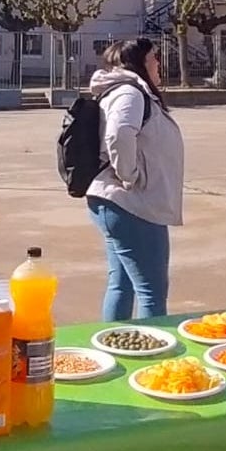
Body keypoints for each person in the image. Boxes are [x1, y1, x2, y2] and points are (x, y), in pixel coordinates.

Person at [86, 37, 184, 321]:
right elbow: (119, 134)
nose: (158, 63)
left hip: (119, 203)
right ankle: (154, 345)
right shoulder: (130, 93)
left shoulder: (124, 91)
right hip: (133, 205)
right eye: (154, 57)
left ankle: (113, 340)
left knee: (122, 284)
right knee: (151, 292)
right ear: (139, 62)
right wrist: (128, 175)